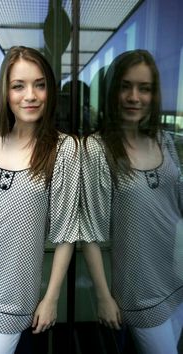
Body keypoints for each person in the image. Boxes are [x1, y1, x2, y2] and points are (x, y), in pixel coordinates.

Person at [0, 46, 80, 354]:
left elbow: (66, 234)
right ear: (4, 92)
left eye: (40, 84)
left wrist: (51, 298)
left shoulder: (64, 150)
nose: (30, 95)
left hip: (11, 292)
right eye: (18, 86)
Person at [81, 49, 183, 354]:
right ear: (113, 91)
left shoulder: (165, 141)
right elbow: (89, 231)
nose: (134, 97)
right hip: (140, 290)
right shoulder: (98, 150)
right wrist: (103, 296)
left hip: (176, 273)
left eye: (144, 88)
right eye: (126, 86)